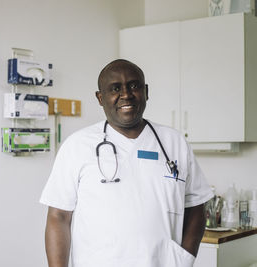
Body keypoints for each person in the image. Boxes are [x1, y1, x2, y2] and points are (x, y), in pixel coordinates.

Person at [39, 59, 213, 267]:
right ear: (100, 98)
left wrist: (184, 259)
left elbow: (196, 205)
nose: (126, 94)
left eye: (134, 85)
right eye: (115, 89)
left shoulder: (174, 143)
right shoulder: (77, 146)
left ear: (146, 91)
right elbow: (58, 216)